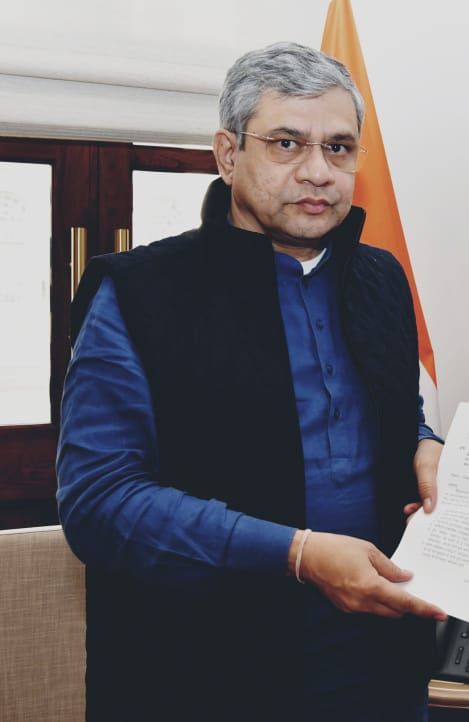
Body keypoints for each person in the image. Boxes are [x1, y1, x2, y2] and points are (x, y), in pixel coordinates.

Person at [57, 42, 446, 721]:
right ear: (228, 154)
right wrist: (297, 554)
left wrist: (424, 443)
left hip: (380, 667)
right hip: (204, 678)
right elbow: (99, 502)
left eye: (339, 148)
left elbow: (393, 409)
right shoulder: (138, 293)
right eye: (287, 144)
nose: (318, 172)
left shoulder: (381, 277)